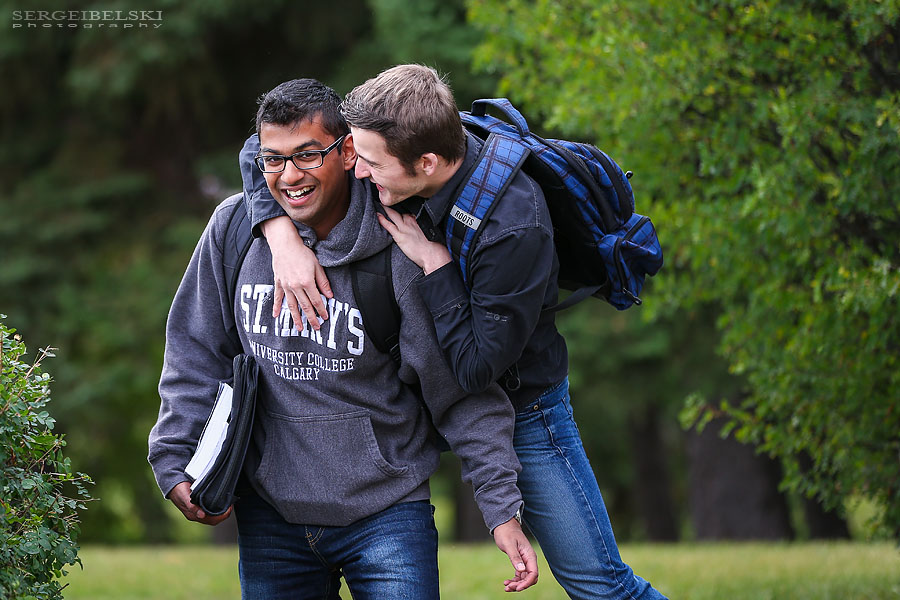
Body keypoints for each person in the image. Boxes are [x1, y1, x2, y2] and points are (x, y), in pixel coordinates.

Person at [239, 65, 668, 599]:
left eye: (369, 163)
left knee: (600, 586)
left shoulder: (513, 227)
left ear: (427, 163)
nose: (359, 174)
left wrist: (436, 266)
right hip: (410, 396)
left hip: (520, 410)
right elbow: (261, 151)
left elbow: (473, 369)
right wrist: (282, 239)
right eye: (356, 155)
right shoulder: (408, 128)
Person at [148, 77, 538, 599]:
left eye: (307, 155)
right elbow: (195, 353)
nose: (289, 176)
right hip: (271, 517)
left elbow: (457, 389)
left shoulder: (399, 246)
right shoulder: (234, 230)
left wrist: (499, 507)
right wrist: (174, 459)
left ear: (349, 150)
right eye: (273, 159)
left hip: (387, 514)